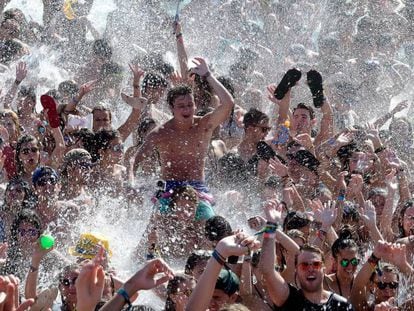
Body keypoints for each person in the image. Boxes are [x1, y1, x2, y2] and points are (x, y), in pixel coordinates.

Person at [134, 57, 234, 193]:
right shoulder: (161, 133)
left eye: (190, 105)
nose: (186, 110)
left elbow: (228, 103)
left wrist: (208, 75)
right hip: (169, 188)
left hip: (198, 187)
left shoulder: (203, 125)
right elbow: (136, 159)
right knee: (158, 215)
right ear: (171, 108)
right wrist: (131, 184)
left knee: (211, 215)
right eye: (181, 106)